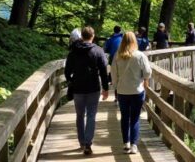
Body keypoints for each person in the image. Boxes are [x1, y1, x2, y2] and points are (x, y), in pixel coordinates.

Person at [64, 26, 109, 155]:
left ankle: (82, 142)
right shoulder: (98, 51)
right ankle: (88, 143)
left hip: (78, 88)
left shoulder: (73, 51)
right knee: (91, 115)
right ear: (92, 36)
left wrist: (71, 81)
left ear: (81, 36)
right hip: (93, 88)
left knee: (79, 115)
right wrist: (105, 88)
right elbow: (103, 71)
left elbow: (67, 71)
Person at [113, 31, 153, 154]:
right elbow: (147, 72)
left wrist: (116, 86)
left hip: (122, 91)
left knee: (125, 117)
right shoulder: (140, 55)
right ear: (134, 41)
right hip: (137, 90)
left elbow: (113, 74)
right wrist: (143, 79)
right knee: (135, 118)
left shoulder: (117, 55)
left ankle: (126, 143)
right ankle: (134, 145)